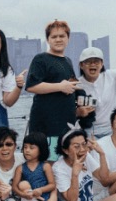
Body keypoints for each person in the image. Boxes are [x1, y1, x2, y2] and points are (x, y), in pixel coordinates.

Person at [25, 20, 78, 161]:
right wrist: (60, 86)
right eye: (54, 37)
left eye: (62, 36)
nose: (58, 39)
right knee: (48, 164)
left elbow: (70, 84)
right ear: (48, 39)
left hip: (66, 125)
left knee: (62, 165)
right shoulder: (40, 59)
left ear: (68, 38)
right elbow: (31, 86)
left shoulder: (68, 61)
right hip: (46, 125)